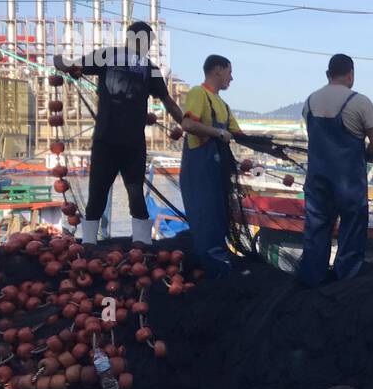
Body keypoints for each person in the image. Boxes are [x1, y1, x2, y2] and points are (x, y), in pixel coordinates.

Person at [56, 20, 184, 245]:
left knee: (115, 194)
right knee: (111, 194)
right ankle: (133, 243)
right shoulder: (117, 58)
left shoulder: (142, 66)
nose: (147, 46)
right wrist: (63, 64)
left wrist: (185, 124)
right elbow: (73, 66)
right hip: (117, 141)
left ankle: (103, 243)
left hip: (121, 141)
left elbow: (167, 100)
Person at [299, 54, 373, 286]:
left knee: (316, 231)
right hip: (348, 184)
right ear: (351, 74)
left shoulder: (310, 102)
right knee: (352, 231)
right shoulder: (360, 102)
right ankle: (344, 283)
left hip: (317, 182)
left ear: (328, 74)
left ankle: (312, 282)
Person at [180, 54, 242, 274]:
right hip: (199, 168)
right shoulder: (199, 93)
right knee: (204, 214)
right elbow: (187, 123)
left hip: (217, 170)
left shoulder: (223, 105)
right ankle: (212, 264)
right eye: (229, 72)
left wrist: (272, 147)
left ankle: (218, 259)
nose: (231, 78)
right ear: (218, 70)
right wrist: (217, 132)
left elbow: (238, 134)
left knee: (219, 214)